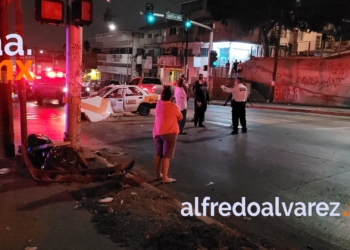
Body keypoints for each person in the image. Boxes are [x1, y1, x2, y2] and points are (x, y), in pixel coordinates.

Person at [153, 86, 183, 183]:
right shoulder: (173, 106)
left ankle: (158, 174)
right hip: (169, 133)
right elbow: (180, 117)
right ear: (171, 97)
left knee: (159, 154)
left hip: (157, 132)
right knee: (167, 156)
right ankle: (165, 177)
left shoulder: (158, 104)